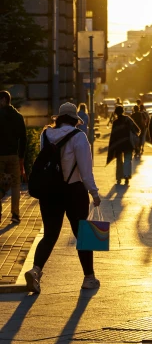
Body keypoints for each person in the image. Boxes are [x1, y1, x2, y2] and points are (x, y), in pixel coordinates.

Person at [24, 102, 101, 294]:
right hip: (74, 191)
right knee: (83, 235)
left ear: (58, 118)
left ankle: (35, 271)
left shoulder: (45, 134)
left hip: (50, 192)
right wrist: (94, 192)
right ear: (75, 119)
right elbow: (85, 170)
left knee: (49, 235)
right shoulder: (79, 137)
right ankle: (89, 278)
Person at [0, 90, 26, 225]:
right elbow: (23, 138)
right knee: (16, 185)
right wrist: (21, 157)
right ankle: (15, 214)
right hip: (14, 156)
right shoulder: (18, 117)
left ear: (3, 100)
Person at [107, 105, 140, 184]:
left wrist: (112, 147)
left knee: (119, 161)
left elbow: (113, 136)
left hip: (118, 145)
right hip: (128, 143)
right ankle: (126, 176)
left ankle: (119, 178)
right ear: (123, 111)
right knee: (127, 160)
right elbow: (137, 129)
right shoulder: (127, 119)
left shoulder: (115, 123)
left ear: (116, 113)